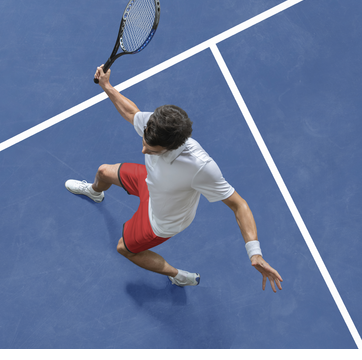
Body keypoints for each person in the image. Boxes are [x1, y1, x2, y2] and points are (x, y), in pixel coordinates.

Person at [64, 66, 283, 292]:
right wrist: (107, 86)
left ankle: (177, 275)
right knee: (103, 172)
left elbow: (239, 205)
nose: (143, 151)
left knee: (124, 248)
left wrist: (254, 251)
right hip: (151, 183)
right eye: (144, 142)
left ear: (172, 146)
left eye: (151, 149)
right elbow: (131, 113)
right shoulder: (157, 124)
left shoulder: (201, 167)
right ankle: (95, 192)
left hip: (161, 219)